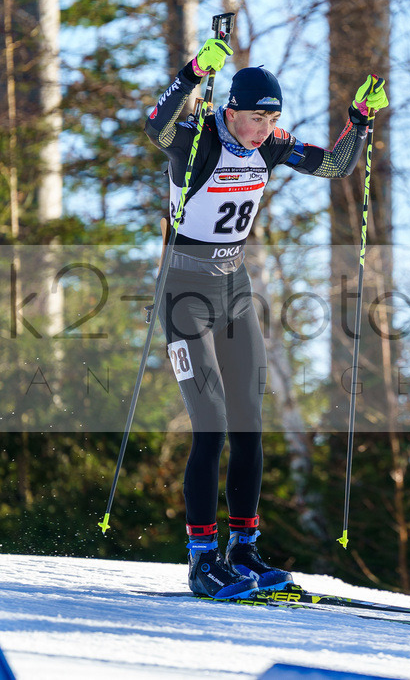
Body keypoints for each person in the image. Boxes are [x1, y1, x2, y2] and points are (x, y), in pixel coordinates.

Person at [143, 38, 388, 599]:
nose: (263, 128)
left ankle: (243, 549)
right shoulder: (199, 138)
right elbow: (154, 128)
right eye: (256, 117)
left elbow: (332, 164)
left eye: (272, 118)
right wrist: (190, 74)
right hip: (184, 290)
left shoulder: (271, 146)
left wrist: (359, 120)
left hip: (233, 288)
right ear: (232, 110)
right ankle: (202, 557)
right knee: (211, 425)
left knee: (250, 426)